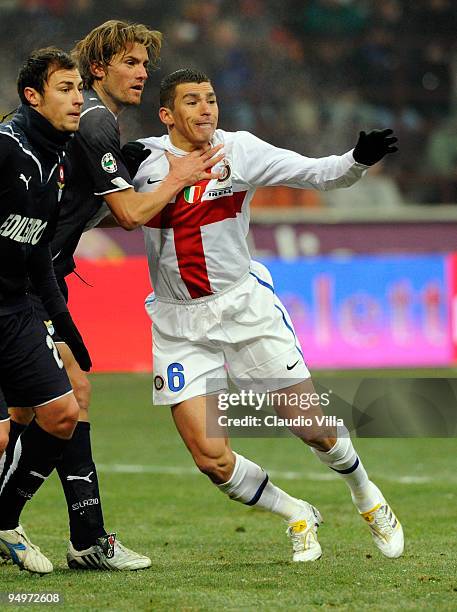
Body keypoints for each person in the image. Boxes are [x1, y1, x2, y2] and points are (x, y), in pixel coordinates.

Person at [128, 68, 404, 562]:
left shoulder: (241, 152)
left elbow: (316, 172)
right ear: (167, 114)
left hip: (243, 310)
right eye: (192, 101)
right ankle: (297, 512)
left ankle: (368, 497)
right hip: (177, 323)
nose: (206, 109)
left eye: (210, 99)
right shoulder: (142, 162)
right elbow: (113, 212)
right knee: (211, 459)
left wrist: (357, 160)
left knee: (315, 428)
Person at [2, 21, 223, 572]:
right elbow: (128, 215)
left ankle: (78, 534)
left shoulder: (82, 129)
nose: (143, 73)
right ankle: (76, 535)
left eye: (146, 64)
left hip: (39, 280)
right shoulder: (94, 124)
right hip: (23, 286)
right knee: (61, 401)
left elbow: (93, 205)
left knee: (41, 410)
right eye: (130, 62)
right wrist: (177, 177)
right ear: (98, 68)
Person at [0, 47, 91, 574]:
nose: (77, 97)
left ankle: (4, 519)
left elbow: (36, 252)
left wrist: (63, 323)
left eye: (79, 87)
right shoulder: (5, 147)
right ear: (32, 97)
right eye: (64, 88)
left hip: (15, 307)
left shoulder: (56, 157)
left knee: (61, 414)